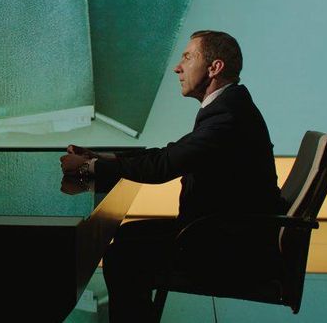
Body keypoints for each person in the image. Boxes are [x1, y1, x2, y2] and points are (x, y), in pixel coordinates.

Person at [61, 30, 284, 323]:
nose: (177, 67)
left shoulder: (227, 115)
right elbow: (175, 152)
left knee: (122, 257)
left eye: (188, 58)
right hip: (224, 231)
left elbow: (164, 166)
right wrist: (104, 158)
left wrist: (89, 168)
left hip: (229, 248)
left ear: (214, 68)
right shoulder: (229, 106)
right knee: (127, 235)